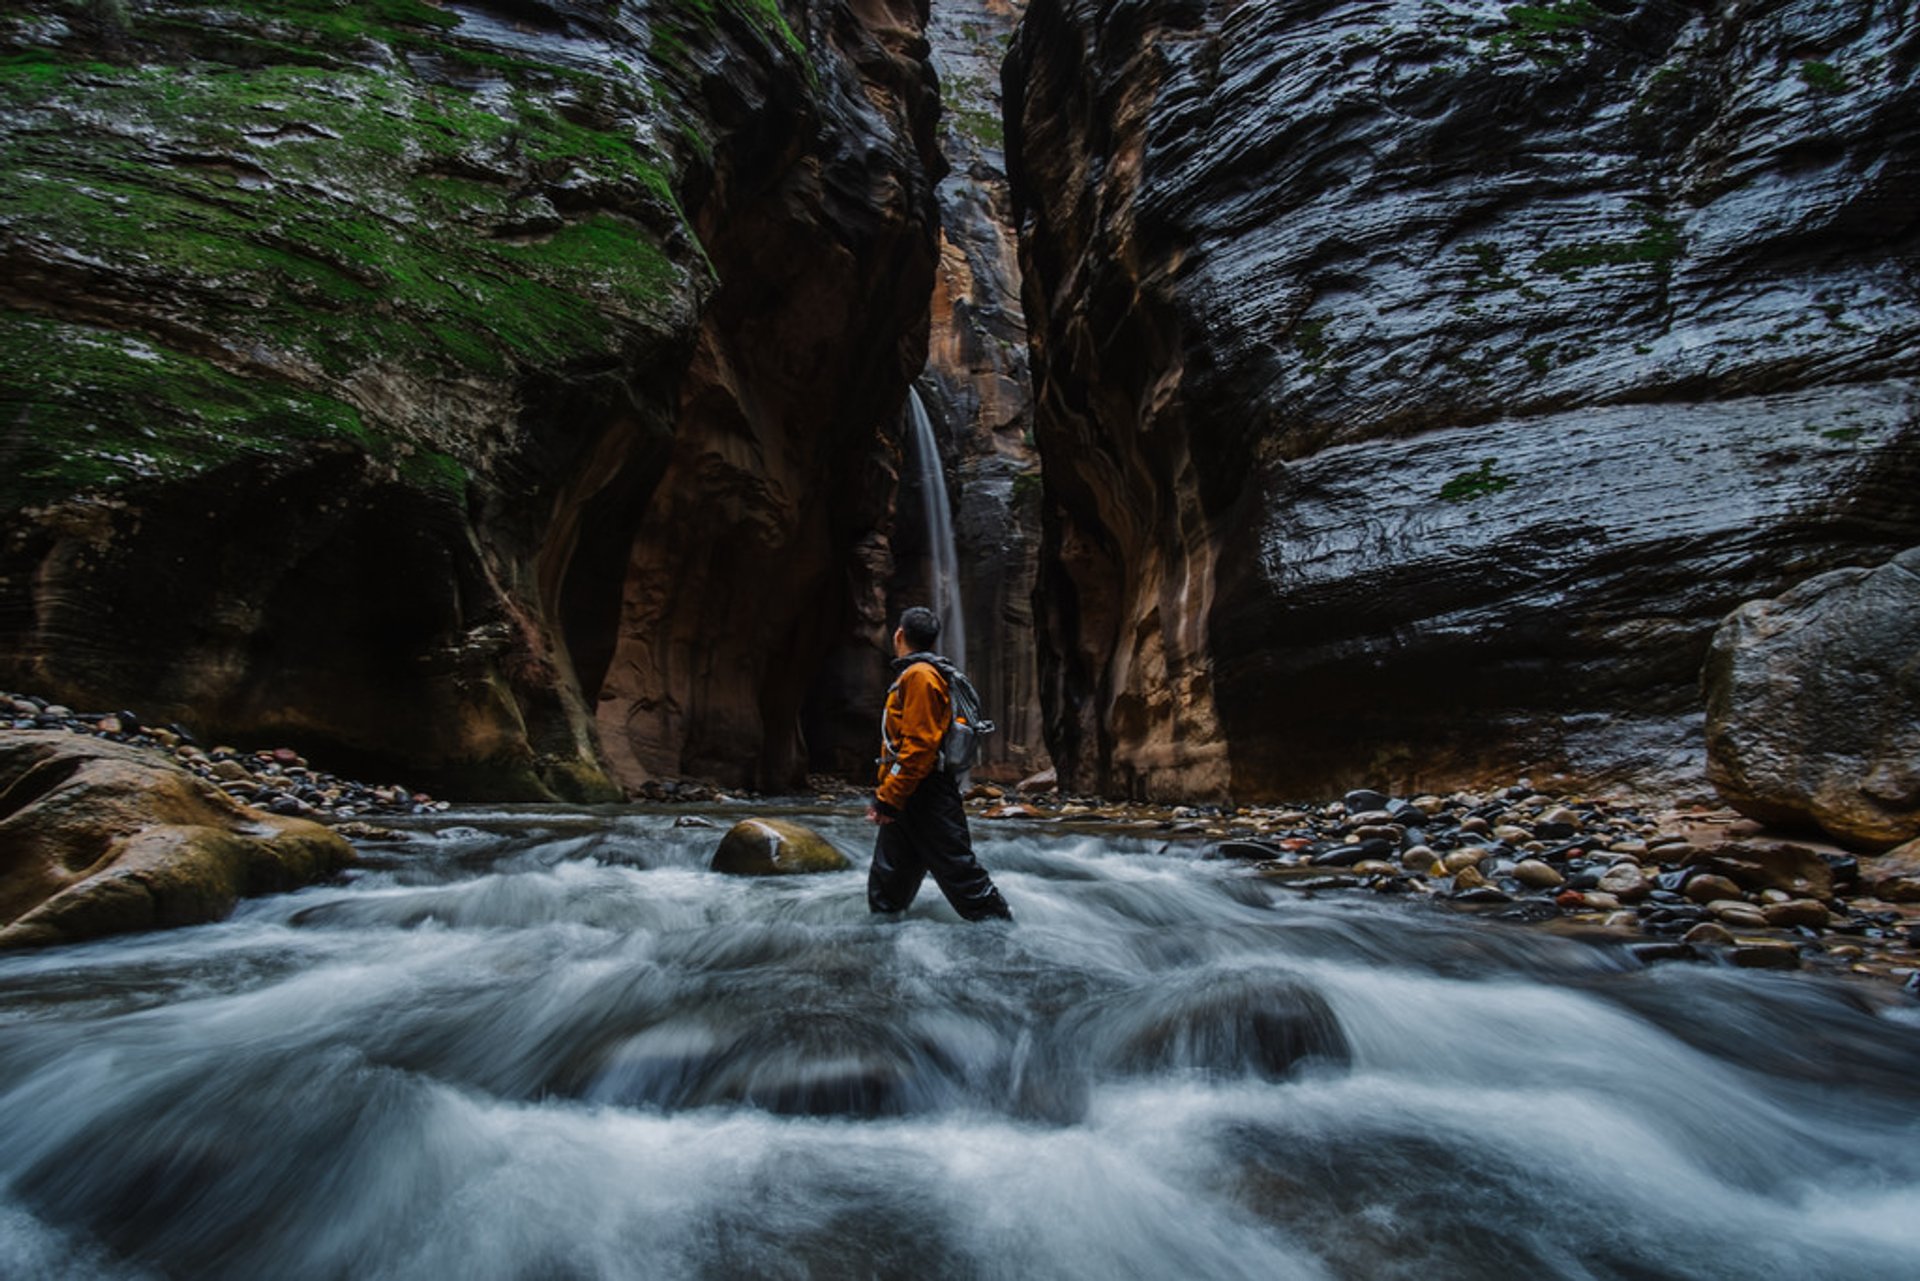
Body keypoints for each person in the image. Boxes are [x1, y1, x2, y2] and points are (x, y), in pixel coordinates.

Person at [865, 606, 1013, 921]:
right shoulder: (919, 673)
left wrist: (888, 797)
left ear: (899, 635)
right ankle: (881, 944)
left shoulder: (920, 676)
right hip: (910, 793)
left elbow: (919, 747)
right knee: (887, 883)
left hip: (927, 792)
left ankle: (1006, 941)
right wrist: (890, 797)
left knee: (962, 876)